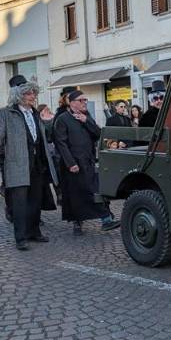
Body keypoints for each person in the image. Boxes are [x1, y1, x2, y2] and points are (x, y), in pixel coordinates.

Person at [0, 80, 58, 250]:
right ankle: (21, 237)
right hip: (17, 165)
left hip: (37, 164)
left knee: (35, 201)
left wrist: (48, 122)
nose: (32, 96)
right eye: (28, 93)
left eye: (33, 93)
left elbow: (43, 137)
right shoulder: (6, 113)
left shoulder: (35, 113)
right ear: (19, 96)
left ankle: (34, 231)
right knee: (19, 204)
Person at [53, 90, 119, 235]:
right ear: (72, 103)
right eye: (81, 100)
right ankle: (79, 222)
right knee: (76, 194)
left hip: (88, 161)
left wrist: (86, 121)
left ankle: (106, 220)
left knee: (95, 190)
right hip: (73, 164)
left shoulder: (86, 116)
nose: (84, 103)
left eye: (85, 100)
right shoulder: (62, 119)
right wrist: (70, 163)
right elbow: (61, 143)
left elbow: (98, 134)